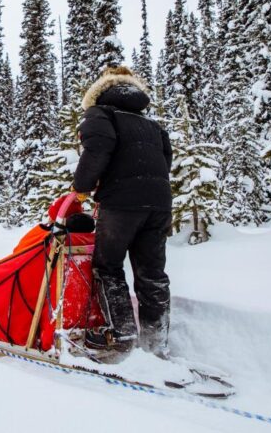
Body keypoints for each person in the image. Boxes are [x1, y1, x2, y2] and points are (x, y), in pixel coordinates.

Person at [71, 66, 173, 358]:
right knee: (152, 273)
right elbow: (165, 160)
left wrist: (82, 187)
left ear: (100, 91)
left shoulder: (101, 115)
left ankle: (122, 336)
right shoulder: (151, 123)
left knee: (108, 266)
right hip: (159, 204)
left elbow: (97, 150)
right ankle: (156, 346)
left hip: (121, 205)